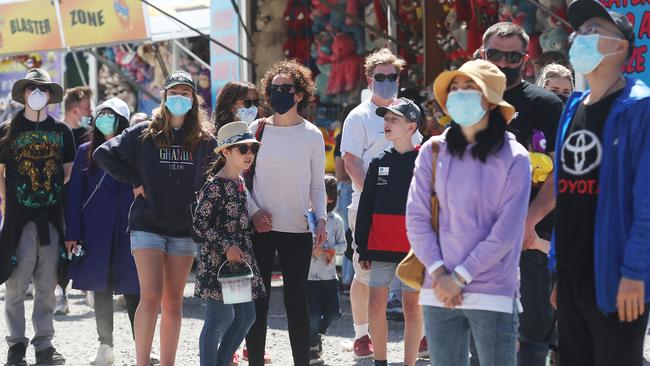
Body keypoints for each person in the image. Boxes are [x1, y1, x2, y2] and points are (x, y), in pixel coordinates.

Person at [407, 59, 531, 366]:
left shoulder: (515, 157)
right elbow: (416, 218)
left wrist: (458, 278)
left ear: (489, 99)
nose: (459, 94)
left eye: (469, 87)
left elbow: (506, 231)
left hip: (492, 291)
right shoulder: (434, 151)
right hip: (437, 288)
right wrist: (439, 274)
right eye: (455, 88)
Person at [93, 70, 217, 366]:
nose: (179, 98)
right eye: (174, 93)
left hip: (183, 228)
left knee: (173, 301)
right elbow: (102, 154)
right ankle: (141, 363)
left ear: (193, 100)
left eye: (185, 93)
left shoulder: (204, 140)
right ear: (164, 98)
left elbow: (219, 172)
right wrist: (135, 179)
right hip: (147, 224)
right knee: (150, 295)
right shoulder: (143, 133)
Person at [549, 2, 650, 365]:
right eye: (579, 32)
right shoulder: (573, 106)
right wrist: (560, 271)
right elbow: (567, 196)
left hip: (616, 276)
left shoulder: (641, 108)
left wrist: (637, 273)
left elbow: (647, 202)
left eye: (592, 31)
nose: (579, 38)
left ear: (620, 46)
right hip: (572, 276)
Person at [480, 22, 564, 365]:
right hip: (480, 238)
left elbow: (562, 171)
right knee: (483, 337)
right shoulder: (469, 102)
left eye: (512, 56)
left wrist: (530, 221)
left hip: (533, 237)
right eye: (495, 54)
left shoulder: (547, 104)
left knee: (530, 336)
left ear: (525, 60)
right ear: (483, 55)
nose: (503, 62)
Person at [340, 48, 422, 359]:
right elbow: (350, 162)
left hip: (404, 215)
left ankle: (415, 343)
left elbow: (420, 163)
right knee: (366, 275)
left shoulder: (410, 114)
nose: (387, 82)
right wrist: (377, 197)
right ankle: (362, 334)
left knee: (411, 286)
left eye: (393, 76)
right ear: (369, 79)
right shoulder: (358, 116)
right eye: (381, 77)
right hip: (367, 205)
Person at [244, 60, 327, 366]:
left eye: (286, 88)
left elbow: (318, 186)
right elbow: (241, 178)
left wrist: (320, 219)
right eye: (274, 88)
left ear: (299, 94)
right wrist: (253, 213)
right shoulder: (257, 129)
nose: (279, 93)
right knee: (258, 300)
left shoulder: (313, 135)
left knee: (296, 300)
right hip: (260, 227)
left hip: (297, 228)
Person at [0, 68, 75, 366]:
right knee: (16, 284)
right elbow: (1, 172)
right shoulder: (8, 129)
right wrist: (8, 200)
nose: (37, 93)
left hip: (51, 217)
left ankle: (44, 344)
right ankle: (16, 345)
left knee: (47, 284)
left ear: (49, 95)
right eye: (32, 88)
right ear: (24, 94)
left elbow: (67, 174)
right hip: (18, 219)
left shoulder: (61, 132)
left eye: (42, 88)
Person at [63, 97, 140, 365]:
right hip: (95, 231)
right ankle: (105, 346)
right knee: (101, 288)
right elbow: (73, 196)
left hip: (130, 228)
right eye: (102, 114)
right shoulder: (85, 150)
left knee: (135, 288)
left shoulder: (136, 149)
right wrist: (72, 233)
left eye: (112, 114)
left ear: (123, 120)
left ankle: (142, 345)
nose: (106, 119)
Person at [355, 98, 423, 366]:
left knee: (412, 309)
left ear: (411, 126)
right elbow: (366, 205)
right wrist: (362, 246)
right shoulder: (378, 161)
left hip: (414, 249)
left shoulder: (425, 160)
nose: (387, 123)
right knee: (375, 306)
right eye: (385, 119)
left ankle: (410, 363)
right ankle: (380, 362)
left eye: (394, 119)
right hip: (380, 246)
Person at [193, 121, 266, 366]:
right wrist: (226, 246)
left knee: (247, 316)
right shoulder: (214, 185)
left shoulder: (239, 182)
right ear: (225, 152)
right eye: (242, 149)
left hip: (239, 259)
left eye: (252, 148)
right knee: (217, 319)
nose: (249, 154)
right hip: (218, 261)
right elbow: (200, 224)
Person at [55, 86, 93, 316]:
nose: (90, 111)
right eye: (87, 107)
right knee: (59, 247)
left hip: (82, 201)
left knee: (83, 244)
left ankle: (90, 286)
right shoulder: (56, 132)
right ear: (75, 108)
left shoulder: (88, 135)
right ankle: (61, 291)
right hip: (57, 202)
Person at [307, 175, 346, 365]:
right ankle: (312, 346)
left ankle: (316, 333)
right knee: (313, 314)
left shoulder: (336, 220)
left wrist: (333, 250)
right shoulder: (307, 219)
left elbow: (343, 246)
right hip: (309, 278)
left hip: (330, 277)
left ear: (330, 198)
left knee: (333, 313)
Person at [333, 104, 357, 291]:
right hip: (348, 191)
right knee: (350, 237)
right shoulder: (343, 138)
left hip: (353, 189)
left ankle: (350, 279)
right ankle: (347, 280)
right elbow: (341, 173)